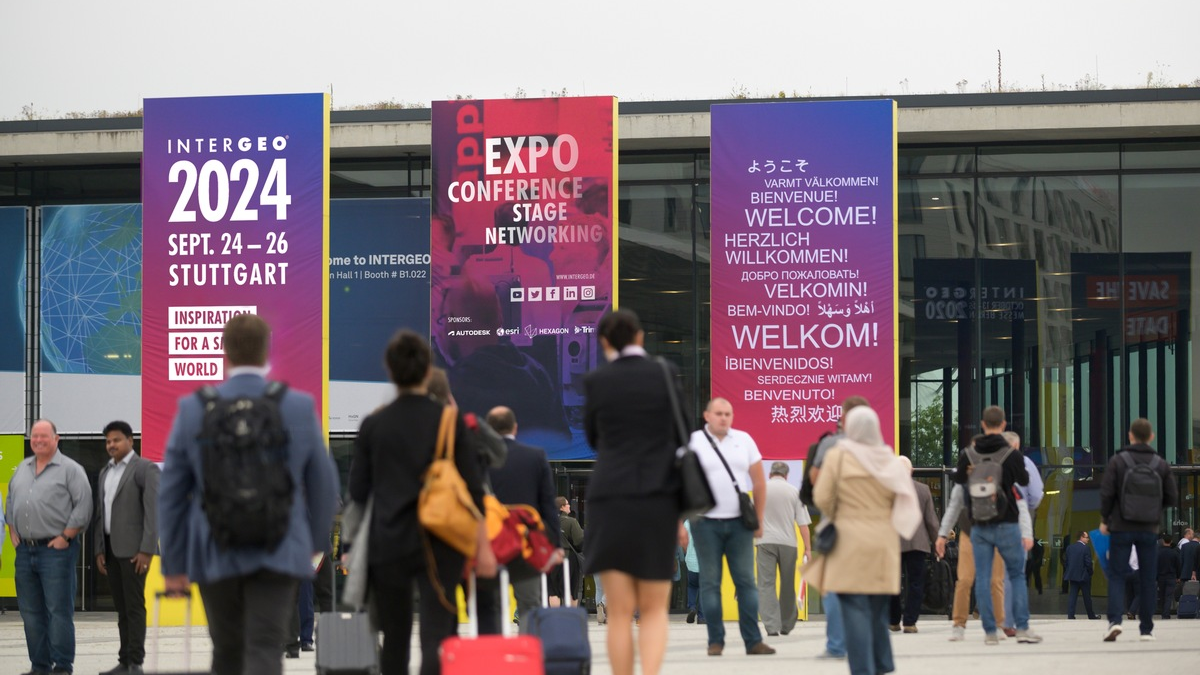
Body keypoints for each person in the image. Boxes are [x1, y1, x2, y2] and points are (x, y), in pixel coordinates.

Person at [158, 313, 339, 675]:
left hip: (213, 550)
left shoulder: (194, 408)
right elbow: (324, 483)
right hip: (280, 547)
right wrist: (314, 546)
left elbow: (172, 493)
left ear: (224, 350)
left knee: (226, 650)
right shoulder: (298, 406)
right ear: (267, 349)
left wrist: (174, 563)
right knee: (264, 648)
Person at [348, 329, 496, 675]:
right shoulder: (450, 420)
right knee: (437, 635)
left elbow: (357, 490)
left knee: (395, 638)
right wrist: (483, 546)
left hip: (389, 542)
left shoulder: (373, 425)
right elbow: (474, 489)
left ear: (390, 370)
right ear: (428, 370)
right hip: (442, 542)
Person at [582, 308, 688, 675]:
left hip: (609, 496)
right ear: (640, 337)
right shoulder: (665, 373)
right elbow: (682, 436)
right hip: (657, 498)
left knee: (619, 612)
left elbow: (594, 437)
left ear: (605, 342)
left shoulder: (596, 380)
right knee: (655, 608)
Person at [801, 406, 920, 675]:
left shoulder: (838, 457)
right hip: (884, 543)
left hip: (848, 541)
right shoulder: (889, 458)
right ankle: (882, 665)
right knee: (877, 609)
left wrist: (840, 513)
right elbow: (906, 501)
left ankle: (863, 669)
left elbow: (821, 497)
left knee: (854, 607)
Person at [689, 397, 775, 657]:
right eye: (718, 413)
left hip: (739, 524)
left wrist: (758, 519)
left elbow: (759, 482)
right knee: (710, 583)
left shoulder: (744, 440)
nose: (723, 418)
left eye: (728, 413)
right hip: (704, 523)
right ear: (707, 415)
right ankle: (715, 641)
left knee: (746, 582)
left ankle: (753, 641)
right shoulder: (694, 442)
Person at [7, 419, 92, 675]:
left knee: (58, 610)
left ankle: (62, 666)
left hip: (57, 550)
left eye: (45, 436)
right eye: (35, 436)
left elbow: (84, 505)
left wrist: (66, 536)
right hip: (24, 551)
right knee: (31, 612)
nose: (39, 440)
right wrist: (12, 529)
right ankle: (40, 666)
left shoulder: (70, 469)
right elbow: (11, 500)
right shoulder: (22, 468)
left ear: (56, 439)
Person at [950, 406, 1040, 645]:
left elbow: (959, 484)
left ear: (982, 424)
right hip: (1007, 524)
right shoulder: (1012, 454)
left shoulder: (968, 454)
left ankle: (990, 631)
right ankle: (1021, 627)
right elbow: (1024, 481)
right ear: (1003, 424)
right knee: (1015, 576)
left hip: (978, 525)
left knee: (982, 578)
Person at [483, 405, 562, 630]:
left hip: (491, 544)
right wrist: (555, 544)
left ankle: (496, 657)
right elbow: (548, 504)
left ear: (489, 429)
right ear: (515, 428)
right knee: (530, 604)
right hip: (526, 543)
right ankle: (527, 655)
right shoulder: (535, 457)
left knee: (492, 606)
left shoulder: (480, 460)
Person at [1099, 418, 1177, 642]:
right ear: (1151, 437)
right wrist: (1154, 511)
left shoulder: (1118, 461)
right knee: (1147, 578)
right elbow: (1172, 496)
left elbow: (1107, 493)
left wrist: (1106, 519)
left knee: (1116, 575)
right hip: (1148, 528)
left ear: (1130, 436)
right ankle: (1146, 630)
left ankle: (1115, 622)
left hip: (1121, 526)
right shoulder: (1160, 464)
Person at [94, 420, 161, 675]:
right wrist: (100, 549)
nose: (111, 445)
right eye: (108, 441)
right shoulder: (105, 472)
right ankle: (124, 660)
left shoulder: (145, 469)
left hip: (135, 552)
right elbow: (102, 514)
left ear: (130, 441)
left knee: (134, 607)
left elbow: (153, 513)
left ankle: (136, 662)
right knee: (121, 609)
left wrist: (146, 550)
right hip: (111, 551)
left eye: (117, 440)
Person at [805, 395, 869, 660]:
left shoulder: (830, 444)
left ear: (843, 418)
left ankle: (836, 645)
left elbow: (815, 479)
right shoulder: (876, 447)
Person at [755, 461, 811, 637]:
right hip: (788, 544)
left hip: (764, 542)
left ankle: (771, 626)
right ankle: (786, 625)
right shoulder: (794, 492)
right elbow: (803, 524)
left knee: (766, 584)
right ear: (786, 476)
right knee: (787, 584)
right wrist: (808, 548)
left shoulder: (760, 489)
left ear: (770, 474)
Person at [889, 455, 939, 634]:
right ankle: (910, 622)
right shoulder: (923, 490)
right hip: (917, 543)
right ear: (911, 471)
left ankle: (894, 621)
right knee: (916, 583)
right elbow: (931, 521)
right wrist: (938, 541)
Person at [1063, 531, 1099, 620]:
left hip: (1073, 576)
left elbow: (1066, 562)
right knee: (1087, 597)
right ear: (1081, 538)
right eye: (1086, 537)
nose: (1088, 540)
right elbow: (1088, 563)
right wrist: (1090, 572)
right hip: (1084, 577)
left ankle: (1070, 615)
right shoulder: (1085, 548)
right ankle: (1091, 615)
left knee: (1072, 596)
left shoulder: (1070, 548)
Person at [557, 496, 585, 604]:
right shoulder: (571, 521)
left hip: (553, 558)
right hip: (569, 558)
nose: (569, 505)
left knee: (554, 590)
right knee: (573, 588)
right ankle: (571, 618)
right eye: (567, 504)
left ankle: (555, 616)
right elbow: (579, 541)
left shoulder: (549, 521)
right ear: (562, 507)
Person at [682, 518, 703, 625]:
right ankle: (702, 617)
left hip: (691, 560)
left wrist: (687, 552)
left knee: (692, 586)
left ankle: (692, 607)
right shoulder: (710, 521)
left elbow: (683, 540)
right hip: (705, 562)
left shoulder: (688, 522)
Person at [1156, 534, 1180, 619]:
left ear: (1163, 541)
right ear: (1171, 541)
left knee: (1162, 596)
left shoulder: (1158, 553)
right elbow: (1178, 566)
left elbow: (1155, 566)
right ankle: (1166, 614)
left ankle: (1163, 612)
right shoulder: (1174, 553)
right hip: (1171, 577)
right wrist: (1178, 576)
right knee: (1168, 596)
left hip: (1161, 577)